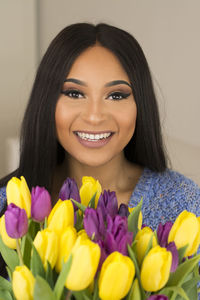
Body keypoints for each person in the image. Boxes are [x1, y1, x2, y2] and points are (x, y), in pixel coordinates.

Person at [0, 23, 200, 278]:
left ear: (141, 105)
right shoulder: (8, 205)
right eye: (74, 93)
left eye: (116, 95)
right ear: (47, 102)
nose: (94, 116)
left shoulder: (184, 206)